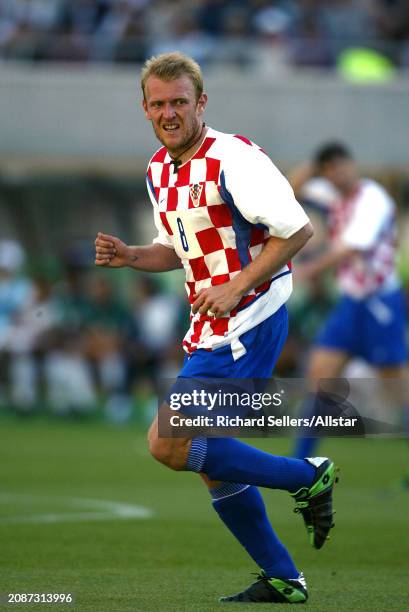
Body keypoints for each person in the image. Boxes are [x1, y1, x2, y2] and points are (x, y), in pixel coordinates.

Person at [94, 52, 337, 604]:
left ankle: (306, 475)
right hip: (210, 323)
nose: (169, 112)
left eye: (179, 101)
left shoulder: (236, 158)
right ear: (145, 109)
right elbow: (177, 251)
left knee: (169, 443)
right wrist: (133, 255)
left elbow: (297, 231)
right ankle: (283, 576)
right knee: (203, 456)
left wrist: (234, 287)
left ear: (201, 102)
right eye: (158, 104)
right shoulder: (160, 168)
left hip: (249, 318)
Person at [289, 142, 408, 460]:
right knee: (319, 377)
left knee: (398, 389)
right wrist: (312, 166)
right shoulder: (333, 195)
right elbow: (288, 193)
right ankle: (301, 466)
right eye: (330, 168)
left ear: (352, 164)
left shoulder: (373, 199)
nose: (337, 172)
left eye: (340, 165)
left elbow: (352, 248)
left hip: (380, 303)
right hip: (351, 302)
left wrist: (308, 269)